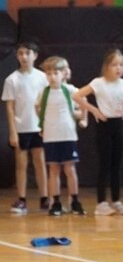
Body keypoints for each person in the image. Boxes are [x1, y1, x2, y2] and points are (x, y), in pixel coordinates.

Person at [73, 49, 123, 215]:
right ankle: (101, 203)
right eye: (114, 64)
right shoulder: (98, 83)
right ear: (106, 66)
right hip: (104, 126)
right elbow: (77, 96)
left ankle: (116, 200)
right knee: (105, 165)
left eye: (121, 64)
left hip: (117, 125)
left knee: (116, 165)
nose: (118, 68)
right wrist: (94, 111)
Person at [2, 40, 49, 214]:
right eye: (20, 53)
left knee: (40, 163)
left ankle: (45, 198)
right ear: (17, 56)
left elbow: (45, 103)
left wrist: (45, 125)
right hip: (21, 128)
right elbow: (9, 107)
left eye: (27, 53)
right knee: (21, 165)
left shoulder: (43, 78)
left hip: (38, 128)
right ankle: (21, 199)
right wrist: (13, 132)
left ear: (35, 56)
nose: (24, 57)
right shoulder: (12, 80)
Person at [36, 56, 84, 216]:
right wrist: (43, 124)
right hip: (51, 136)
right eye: (48, 73)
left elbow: (83, 104)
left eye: (56, 73)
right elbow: (38, 108)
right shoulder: (44, 92)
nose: (52, 77)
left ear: (64, 73)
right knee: (54, 170)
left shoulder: (70, 90)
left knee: (70, 169)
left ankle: (75, 201)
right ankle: (55, 202)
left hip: (68, 135)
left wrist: (82, 118)